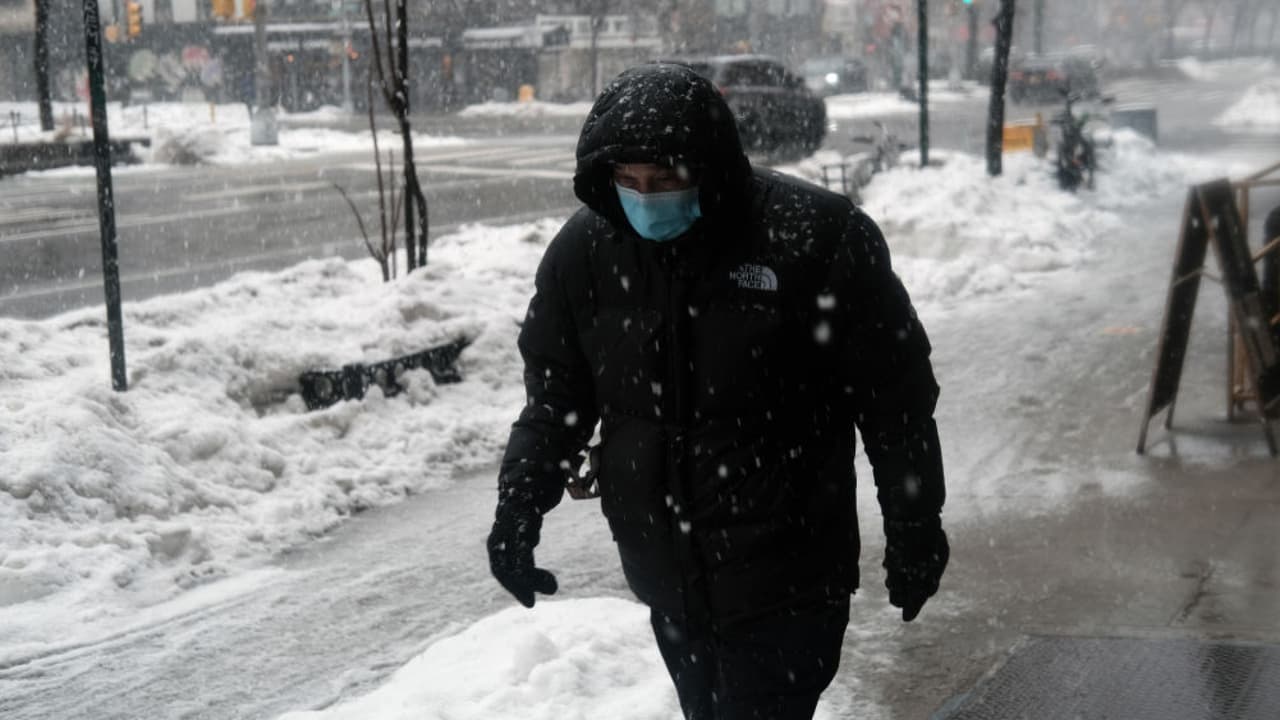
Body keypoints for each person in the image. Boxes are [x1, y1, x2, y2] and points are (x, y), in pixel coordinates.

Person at [486, 62, 949, 720]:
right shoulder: (586, 254)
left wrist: (914, 526)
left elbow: (894, 404)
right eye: (628, 181)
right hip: (665, 574)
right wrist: (518, 512)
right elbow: (555, 403)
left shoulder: (815, 239)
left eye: (667, 180)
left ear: (711, 167)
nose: (646, 199)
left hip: (787, 578)